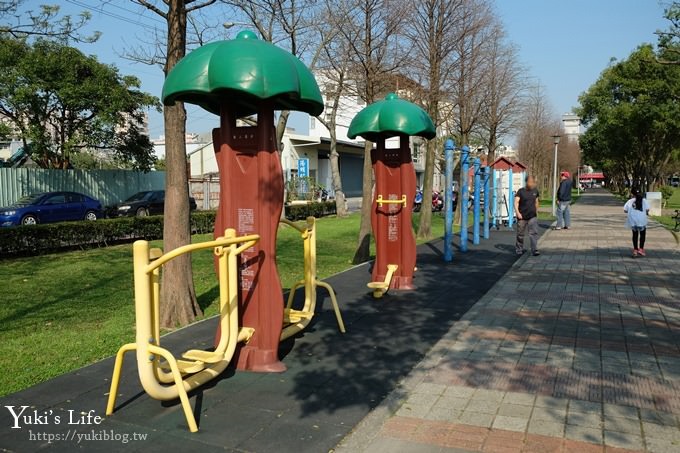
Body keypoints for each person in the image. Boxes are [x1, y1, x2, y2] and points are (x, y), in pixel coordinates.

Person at [514, 175, 541, 256]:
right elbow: (516, 202)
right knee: (520, 234)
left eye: (533, 182)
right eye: (530, 182)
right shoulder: (521, 191)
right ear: (526, 182)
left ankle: (534, 249)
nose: (532, 184)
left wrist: (536, 211)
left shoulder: (535, 191)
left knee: (533, 233)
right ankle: (519, 249)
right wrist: (517, 213)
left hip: (532, 216)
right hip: (522, 216)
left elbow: (536, 202)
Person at [623, 188, 650, 257]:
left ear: (632, 194)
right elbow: (647, 209)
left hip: (633, 220)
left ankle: (635, 249)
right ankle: (641, 249)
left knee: (635, 235)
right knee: (642, 235)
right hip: (641, 221)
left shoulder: (630, 201)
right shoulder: (644, 201)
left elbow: (625, 210)